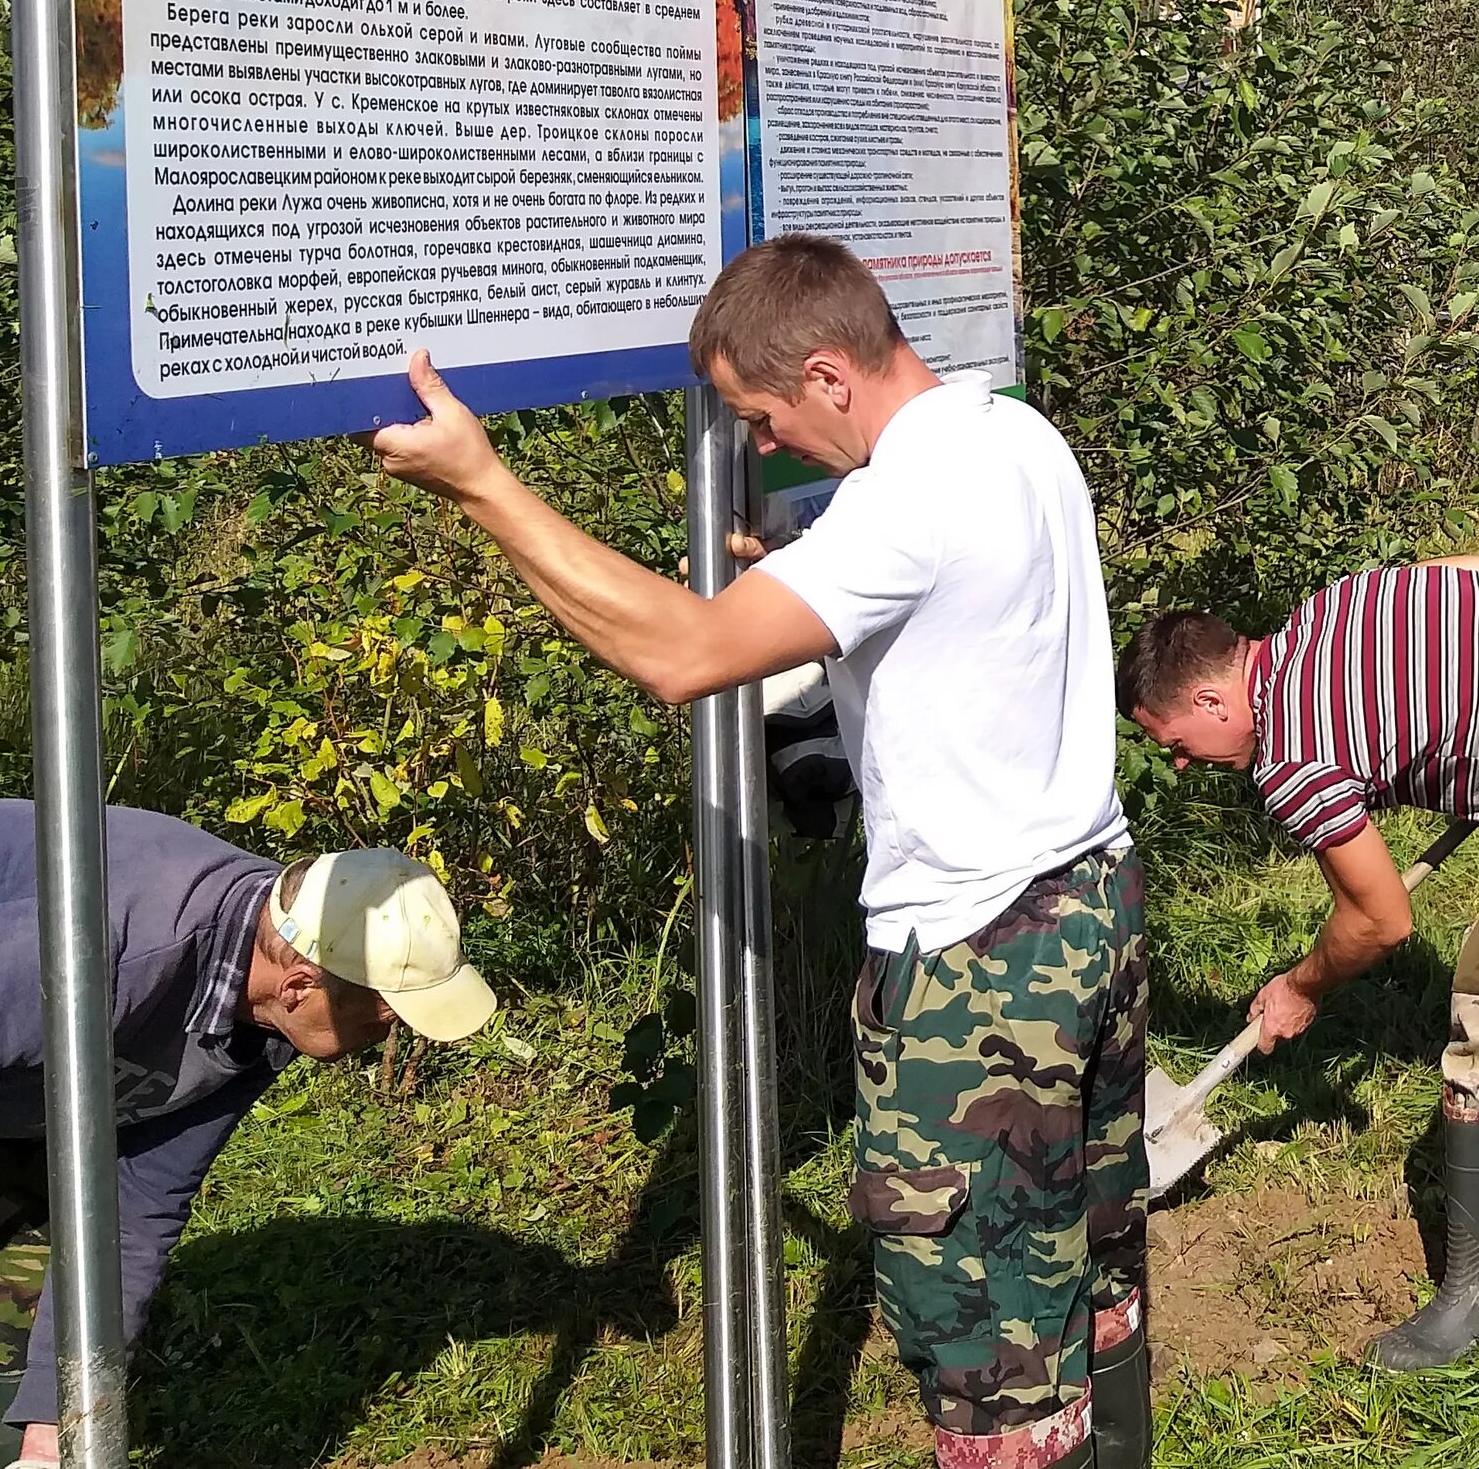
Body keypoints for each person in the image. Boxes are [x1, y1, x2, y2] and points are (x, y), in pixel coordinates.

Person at [370, 233, 1146, 1469]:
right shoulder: (1012, 432)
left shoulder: (899, 503)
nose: (767, 447)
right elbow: (954, 611)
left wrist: (483, 485)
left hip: (977, 967)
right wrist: (808, 587)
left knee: (987, 1345)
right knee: (1085, 1270)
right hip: (1095, 903)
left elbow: (683, 656)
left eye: (766, 416)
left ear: (831, 374)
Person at [1115, 558, 1479, 1370]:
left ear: (1212, 700)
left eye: (1176, 742)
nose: (1179, 762)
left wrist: (1299, 986)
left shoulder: (1291, 757)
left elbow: (1381, 921)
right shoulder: (1321, 612)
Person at [0, 811, 492, 1466]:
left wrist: (55, 1440)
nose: (390, 1032)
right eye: (386, 1011)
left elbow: (140, 1202)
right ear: (302, 985)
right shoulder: (101, 949)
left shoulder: (265, 1018)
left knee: (38, 1329)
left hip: (21, 1106)